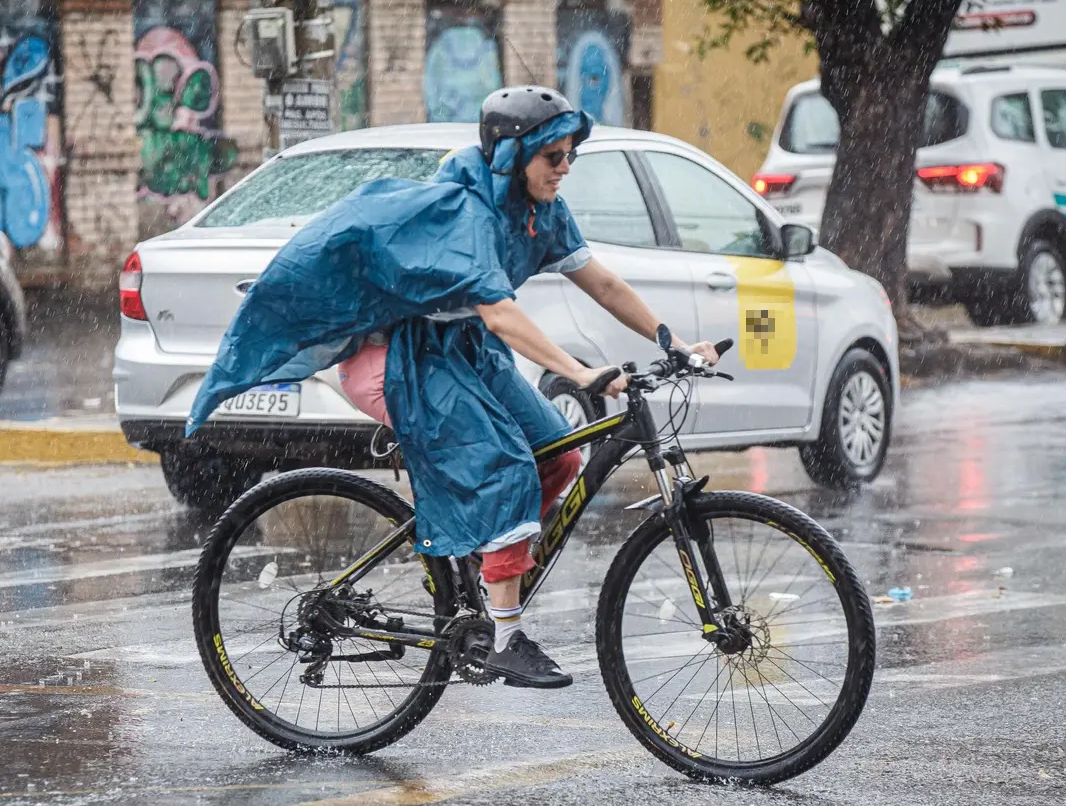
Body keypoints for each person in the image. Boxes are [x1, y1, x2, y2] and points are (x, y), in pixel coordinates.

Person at [187, 86, 720, 689]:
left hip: (459, 349)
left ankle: (478, 566)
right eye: (554, 157)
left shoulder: (540, 210)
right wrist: (581, 372)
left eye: (572, 154)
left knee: (561, 454)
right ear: (513, 157)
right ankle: (506, 635)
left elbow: (602, 284)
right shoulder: (465, 215)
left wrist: (668, 339)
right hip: (391, 358)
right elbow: (500, 315)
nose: (566, 167)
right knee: (501, 465)